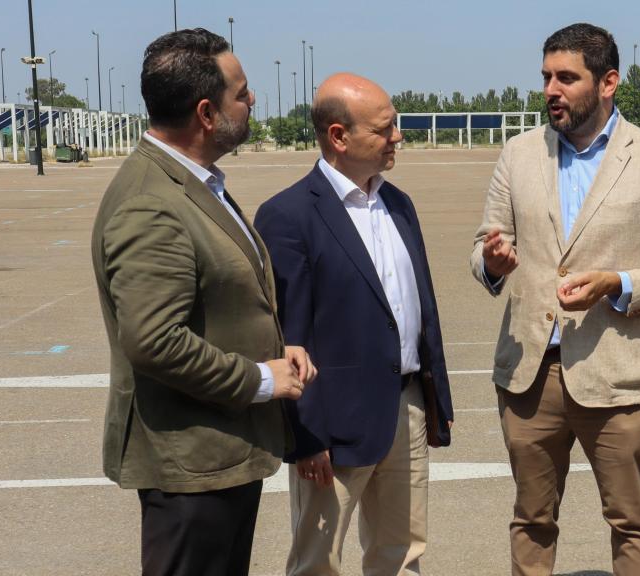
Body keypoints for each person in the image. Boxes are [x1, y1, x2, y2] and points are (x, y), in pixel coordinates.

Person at [470, 23, 640, 576]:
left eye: (567, 78)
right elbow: (486, 244)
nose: (551, 89)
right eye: (546, 77)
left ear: (608, 83)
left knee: (632, 521)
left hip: (618, 375)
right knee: (531, 519)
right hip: (530, 375)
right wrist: (492, 264)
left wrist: (618, 285)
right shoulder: (518, 154)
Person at [90, 28, 316, 576]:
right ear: (207, 114)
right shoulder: (152, 205)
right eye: (242, 92)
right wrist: (261, 379)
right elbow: (153, 341)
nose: (253, 100)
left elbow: (214, 299)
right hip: (189, 463)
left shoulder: (192, 184)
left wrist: (273, 344)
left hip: (219, 454)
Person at [254, 72, 454, 576]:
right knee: (319, 562)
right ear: (339, 137)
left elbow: (420, 310)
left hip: (405, 409)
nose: (398, 137)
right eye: (384, 128)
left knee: (403, 554)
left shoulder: (399, 204)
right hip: (334, 425)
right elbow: (288, 336)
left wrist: (435, 402)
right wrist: (306, 437)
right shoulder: (288, 216)